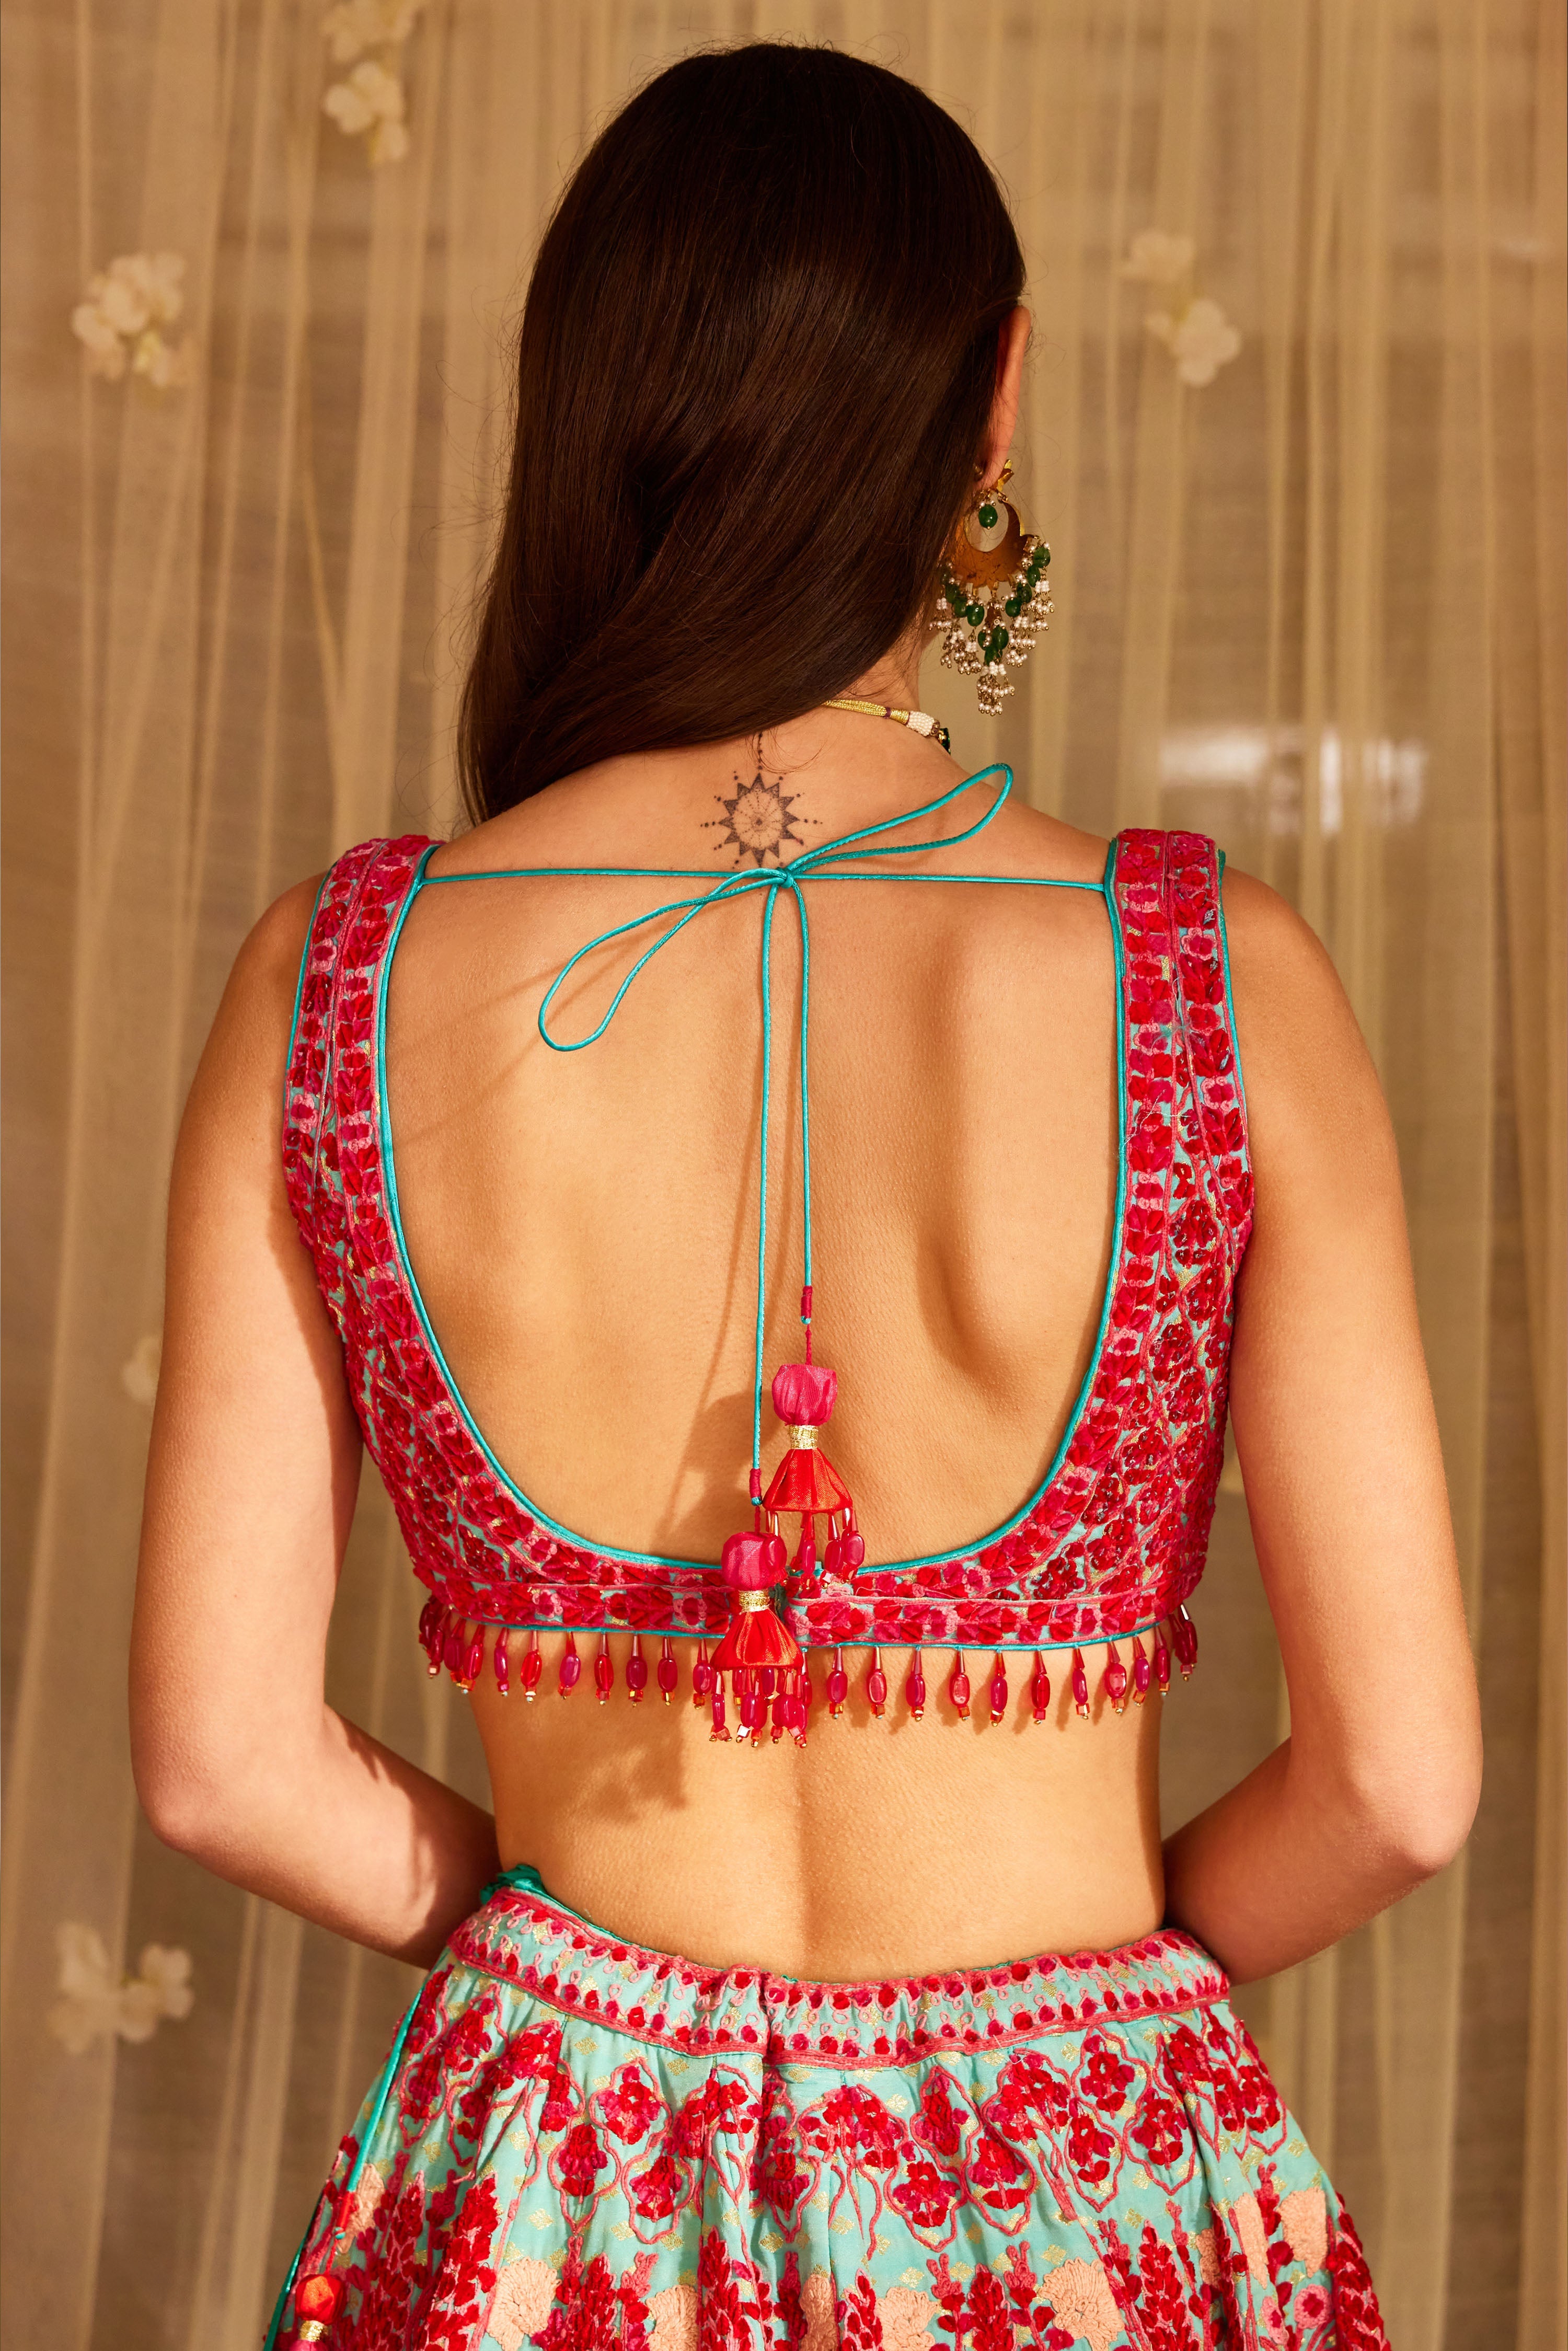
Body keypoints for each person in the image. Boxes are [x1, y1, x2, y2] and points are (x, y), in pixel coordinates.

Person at [129, 43, 1479, 2351]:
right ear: (995, 400)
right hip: (1081, 2187)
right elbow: (1403, 1786)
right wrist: (1080, 1998)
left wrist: (564, 1968)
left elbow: (223, 1763)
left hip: (557, 2190)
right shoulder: (1216, 981)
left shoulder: (335, 974)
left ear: (583, 410)